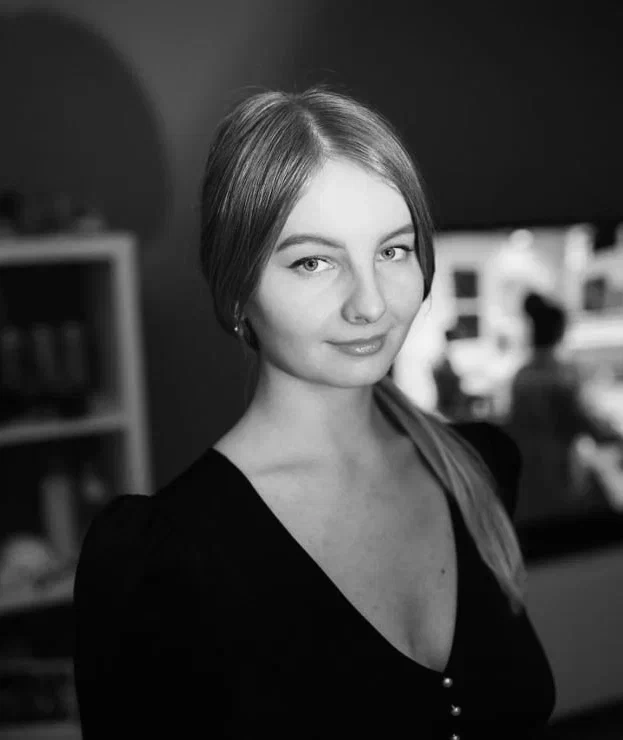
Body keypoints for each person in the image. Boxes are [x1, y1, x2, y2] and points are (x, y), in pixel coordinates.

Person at [73, 87, 556, 739]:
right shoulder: (157, 562)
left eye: (393, 250)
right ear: (237, 289)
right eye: (313, 261)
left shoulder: (479, 469)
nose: (370, 304)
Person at [506, 291, 622, 524]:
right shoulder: (563, 376)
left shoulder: (522, 376)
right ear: (560, 333)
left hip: (528, 475)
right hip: (560, 476)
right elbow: (587, 424)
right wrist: (615, 435)